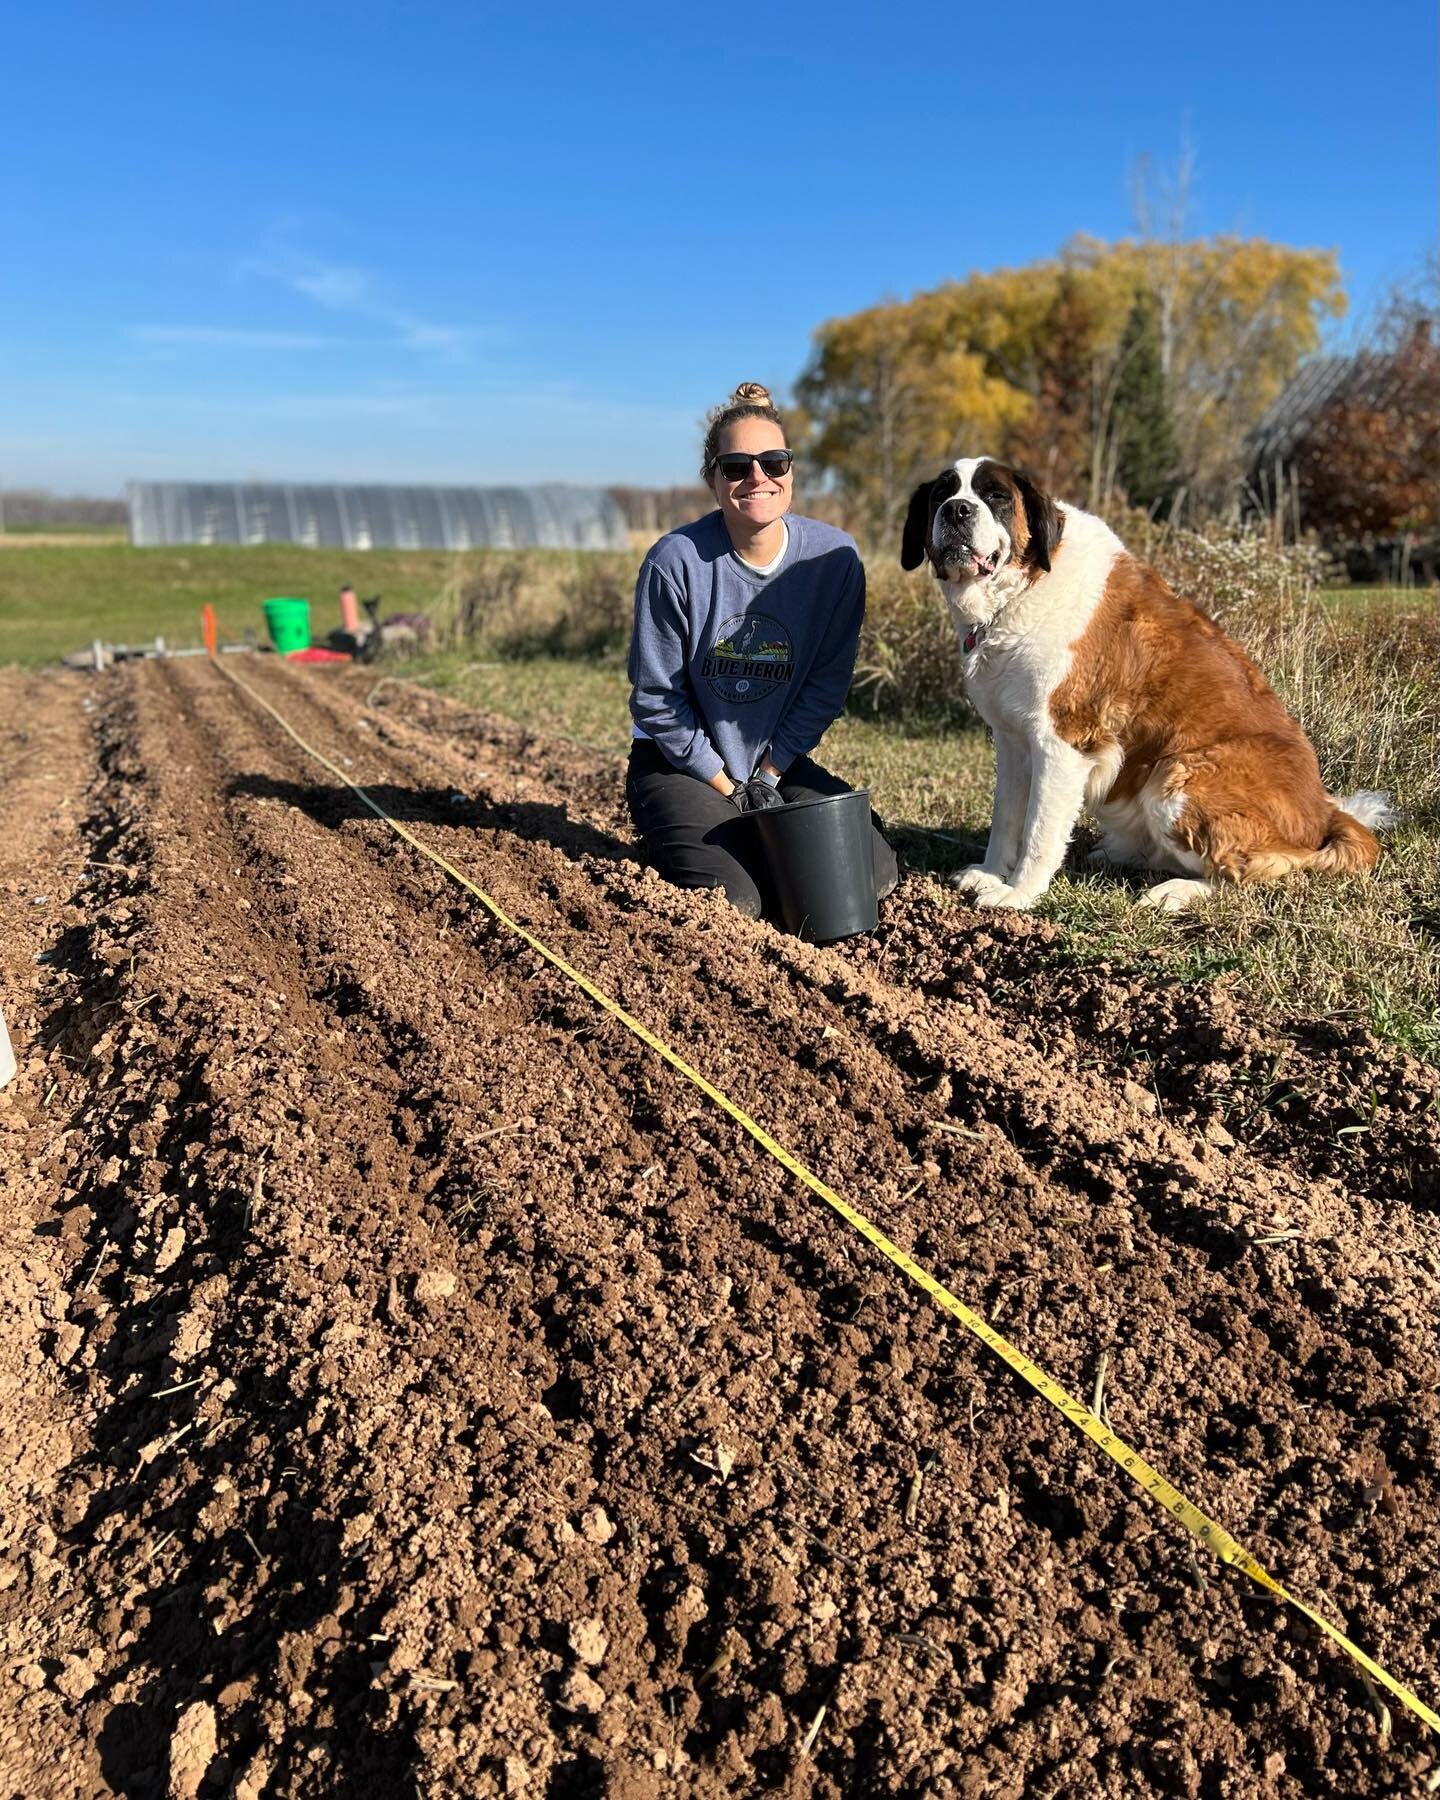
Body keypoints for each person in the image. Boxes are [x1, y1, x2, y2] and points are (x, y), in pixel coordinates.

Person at [626, 382, 899, 920]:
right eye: (736, 467)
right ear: (713, 480)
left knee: (872, 873)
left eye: (773, 462)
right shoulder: (674, 562)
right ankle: (674, 830)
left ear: (791, 471)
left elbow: (825, 684)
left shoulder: (833, 560)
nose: (758, 477)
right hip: (681, 763)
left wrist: (770, 777)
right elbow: (657, 700)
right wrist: (726, 785)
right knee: (735, 902)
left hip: (771, 764)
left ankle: (750, 832)